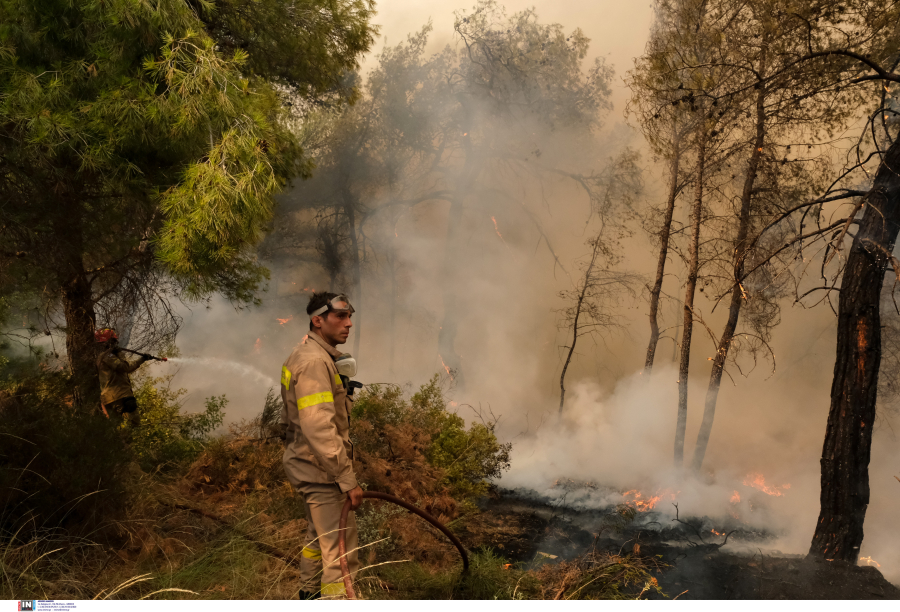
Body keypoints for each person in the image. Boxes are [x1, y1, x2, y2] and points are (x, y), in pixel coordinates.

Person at [280, 292, 363, 600]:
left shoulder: (307, 355)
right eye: (340, 316)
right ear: (318, 320)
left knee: (319, 540)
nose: (349, 323)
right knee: (340, 552)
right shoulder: (315, 362)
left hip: (308, 464)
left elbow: (291, 417)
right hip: (321, 471)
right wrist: (346, 478)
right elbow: (319, 428)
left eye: (350, 316)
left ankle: (309, 596)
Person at [95, 327, 150, 427]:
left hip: (109, 398)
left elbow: (126, 368)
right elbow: (124, 367)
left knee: (117, 429)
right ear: (107, 342)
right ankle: (130, 441)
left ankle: (122, 441)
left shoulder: (104, 357)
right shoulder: (108, 356)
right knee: (134, 424)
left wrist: (142, 360)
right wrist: (120, 354)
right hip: (120, 396)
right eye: (113, 341)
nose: (115, 343)